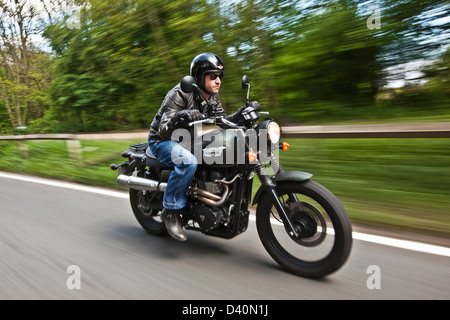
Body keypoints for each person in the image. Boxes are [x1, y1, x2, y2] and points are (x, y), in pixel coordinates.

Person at [147, 52, 259, 241]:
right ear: (199, 77)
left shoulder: (212, 96)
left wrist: (240, 115)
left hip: (187, 140)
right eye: (213, 76)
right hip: (162, 141)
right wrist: (180, 117)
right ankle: (170, 210)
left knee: (221, 152)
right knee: (188, 161)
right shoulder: (180, 93)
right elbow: (164, 129)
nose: (218, 81)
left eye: (219, 77)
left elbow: (223, 121)